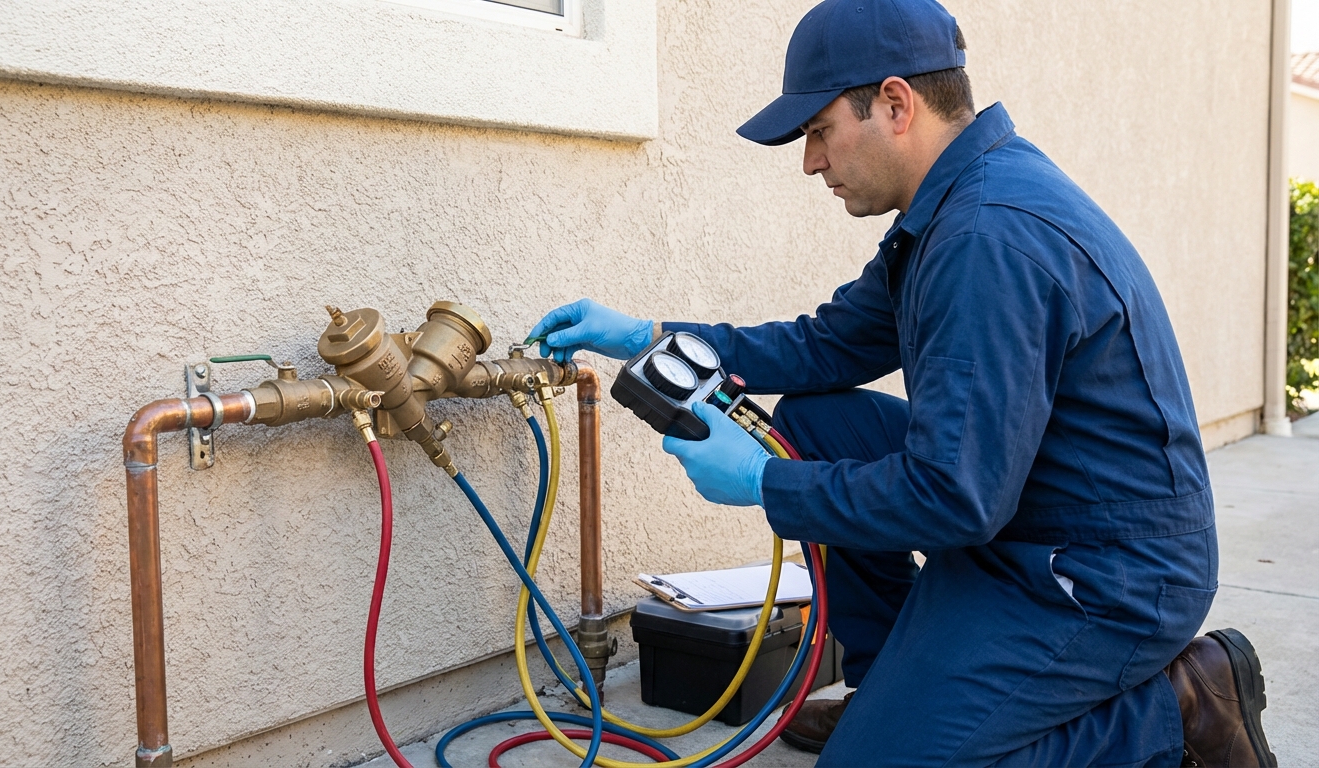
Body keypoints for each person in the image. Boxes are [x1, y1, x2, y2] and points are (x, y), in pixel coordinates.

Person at [528, 0, 1278, 765]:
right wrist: (649, 337)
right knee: (817, 422)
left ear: (894, 103)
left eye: (818, 131)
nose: (810, 160)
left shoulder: (988, 237)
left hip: (1103, 571)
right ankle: (890, 687)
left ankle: (1177, 710)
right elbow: (825, 346)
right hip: (1027, 515)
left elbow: (957, 497)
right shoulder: (949, 208)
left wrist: (765, 483)